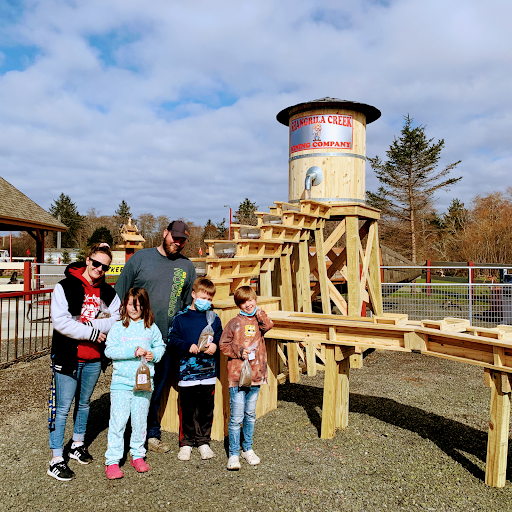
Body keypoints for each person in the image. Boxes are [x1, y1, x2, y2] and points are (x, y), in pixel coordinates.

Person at [114, 220, 196, 453]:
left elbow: (187, 304)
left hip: (165, 342)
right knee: (129, 386)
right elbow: (119, 294)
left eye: (182, 240)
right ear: (164, 233)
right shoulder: (141, 259)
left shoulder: (186, 266)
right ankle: (122, 431)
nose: (177, 242)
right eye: (174, 237)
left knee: (154, 389)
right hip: (135, 338)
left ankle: (151, 434)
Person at [48, 243, 121, 481]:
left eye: (105, 267)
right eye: (96, 263)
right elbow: (61, 322)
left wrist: (90, 325)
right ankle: (56, 458)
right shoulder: (65, 286)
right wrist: (91, 332)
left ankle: (77, 444)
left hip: (94, 357)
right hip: (68, 355)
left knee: (84, 403)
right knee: (62, 408)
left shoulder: (108, 292)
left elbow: (117, 318)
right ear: (88, 260)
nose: (99, 269)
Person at [104, 287, 165, 479]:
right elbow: (109, 351)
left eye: (138, 305)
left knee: (140, 421)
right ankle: (112, 460)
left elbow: (160, 345)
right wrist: (133, 352)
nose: (134, 308)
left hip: (143, 384)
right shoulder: (118, 327)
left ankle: (137, 455)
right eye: (131, 304)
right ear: (125, 305)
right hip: (121, 384)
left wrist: (155, 354)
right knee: (118, 421)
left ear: (145, 306)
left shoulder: (151, 327)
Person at [219, 286, 273, 470]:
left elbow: (269, 325)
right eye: (243, 302)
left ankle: (247, 448)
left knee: (250, 414)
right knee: (236, 417)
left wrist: (259, 312)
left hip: (256, 374)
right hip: (237, 376)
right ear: (238, 304)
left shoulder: (259, 321)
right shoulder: (234, 322)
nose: (248, 304)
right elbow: (223, 344)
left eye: (250, 300)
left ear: (255, 300)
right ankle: (233, 453)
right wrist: (239, 351)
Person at [168, 277, 222, 461]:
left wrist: (215, 345)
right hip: (187, 374)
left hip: (208, 373)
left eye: (209, 299)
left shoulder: (213, 318)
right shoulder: (180, 318)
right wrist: (185, 346)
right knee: (188, 408)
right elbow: (172, 340)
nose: (206, 302)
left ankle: (203, 441)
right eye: (203, 297)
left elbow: (221, 337)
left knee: (206, 409)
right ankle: (186, 443)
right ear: (193, 294)